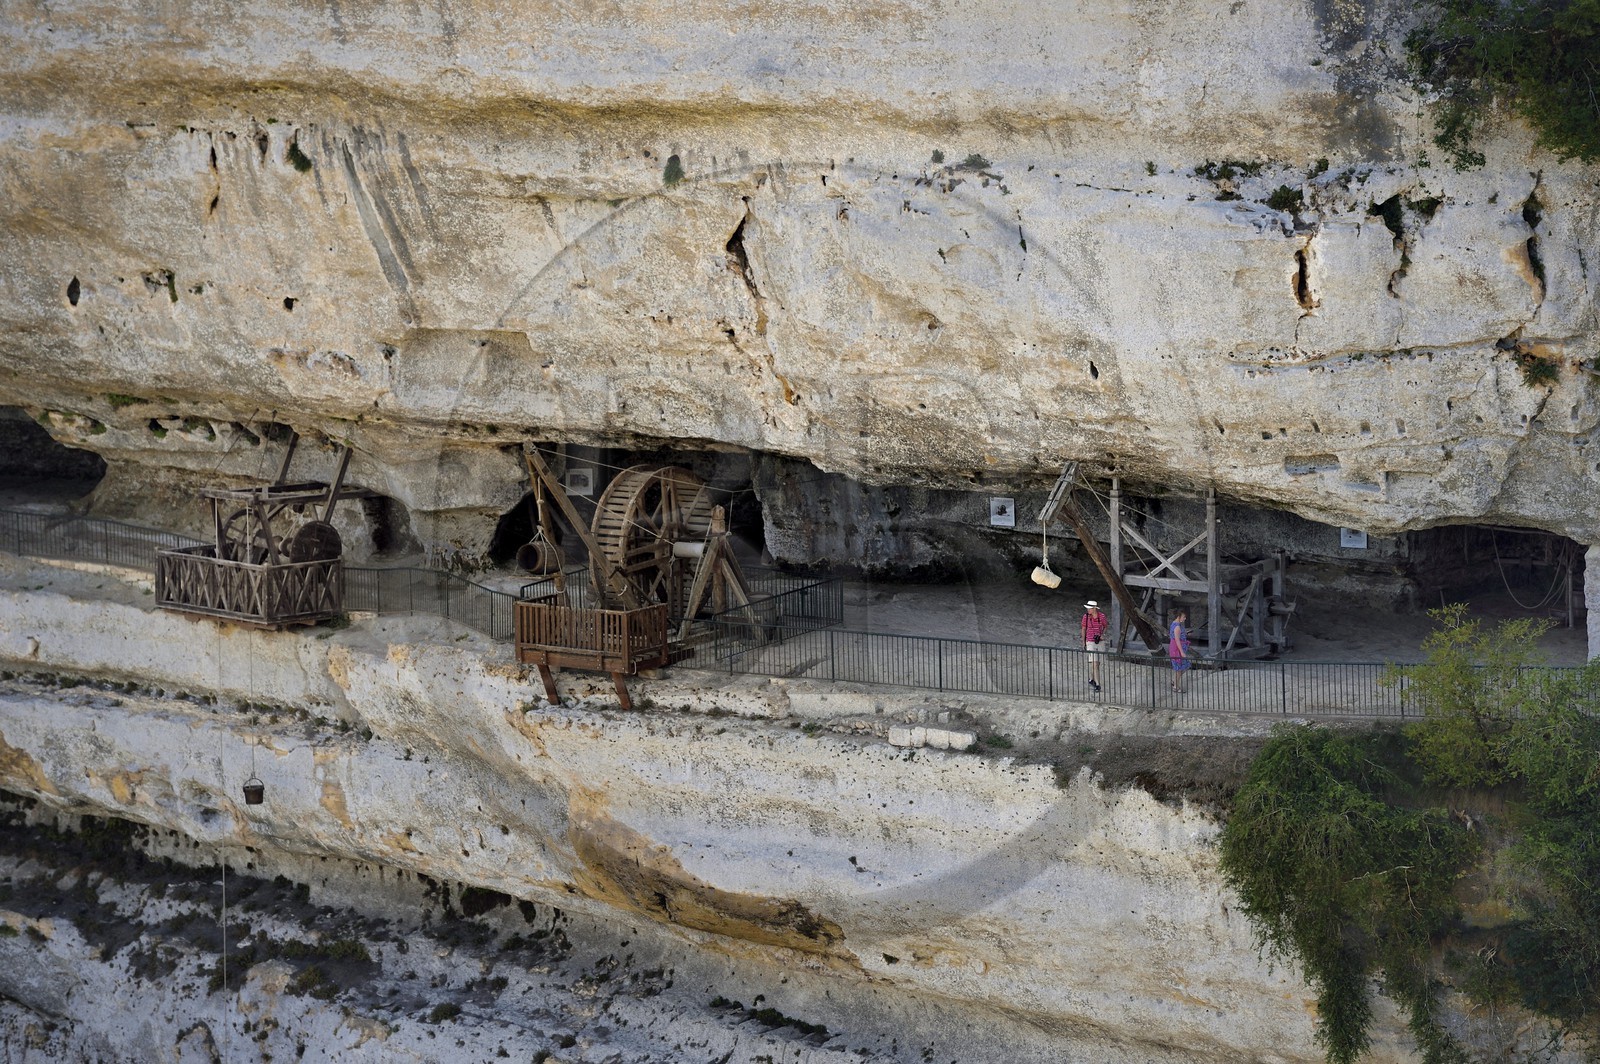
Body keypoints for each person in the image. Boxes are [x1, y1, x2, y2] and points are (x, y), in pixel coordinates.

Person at [1080, 600, 1109, 692]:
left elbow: (1105, 626)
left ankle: (1091, 678)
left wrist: (1102, 635)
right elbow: (1083, 629)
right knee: (1095, 663)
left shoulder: (1102, 616)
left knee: (1097, 663)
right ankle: (1097, 684)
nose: (1088, 610)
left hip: (1099, 641)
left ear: (1094, 609)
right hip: (1090, 641)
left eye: (1089, 608)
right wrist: (1083, 642)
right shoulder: (1086, 617)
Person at [1168, 609, 1192, 692]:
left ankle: (1174, 681)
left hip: (1175, 648)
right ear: (1179, 617)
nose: (1185, 618)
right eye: (1184, 617)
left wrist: (1186, 634)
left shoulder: (1175, 624)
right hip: (1177, 649)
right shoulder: (1177, 627)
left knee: (1183, 667)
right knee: (1179, 668)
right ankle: (1176, 687)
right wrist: (1181, 652)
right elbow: (1177, 640)